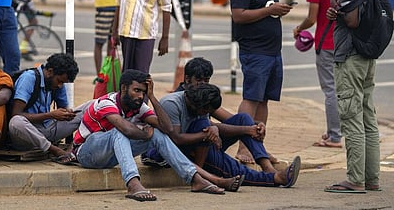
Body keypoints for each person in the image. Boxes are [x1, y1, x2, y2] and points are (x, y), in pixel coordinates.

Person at [55, 69, 246, 202]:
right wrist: (145, 133)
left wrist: (153, 98)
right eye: (136, 90)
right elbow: (128, 130)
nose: (140, 96)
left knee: (158, 134)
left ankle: (194, 179)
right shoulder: (106, 103)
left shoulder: (140, 106)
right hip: (87, 154)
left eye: (143, 92)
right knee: (120, 132)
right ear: (123, 89)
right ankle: (133, 184)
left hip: (110, 155)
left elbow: (168, 129)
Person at [142, 57, 278, 173]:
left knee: (244, 119)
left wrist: (252, 127)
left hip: (206, 143)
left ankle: (265, 164)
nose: (203, 84)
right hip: (189, 147)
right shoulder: (176, 101)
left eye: (206, 81)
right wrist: (213, 131)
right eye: (199, 81)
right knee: (231, 168)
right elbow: (180, 137)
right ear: (188, 79)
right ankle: (200, 176)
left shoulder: (204, 97)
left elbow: (230, 121)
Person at [160, 83, 301, 188]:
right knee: (228, 165)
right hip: (182, 149)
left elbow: (223, 124)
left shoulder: (201, 102)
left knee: (244, 119)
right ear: (201, 107)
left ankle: (267, 166)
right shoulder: (172, 104)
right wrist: (208, 133)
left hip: (202, 142)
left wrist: (251, 128)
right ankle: (275, 178)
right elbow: (176, 139)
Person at [324, 0, 380, 193]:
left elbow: (353, 21)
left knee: (351, 117)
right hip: (367, 57)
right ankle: (371, 178)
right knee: (368, 117)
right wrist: (339, 7)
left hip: (350, 57)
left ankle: (355, 179)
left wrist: (337, 1)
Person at [230, 0, 293, 164]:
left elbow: (266, 10)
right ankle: (243, 148)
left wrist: (278, 10)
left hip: (273, 52)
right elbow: (238, 15)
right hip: (254, 52)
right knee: (251, 98)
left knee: (264, 100)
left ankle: (259, 148)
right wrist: (269, 10)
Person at [293, 0, 343, 148]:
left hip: (326, 43)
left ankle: (334, 136)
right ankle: (341, 130)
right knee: (345, 90)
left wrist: (298, 28)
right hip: (346, 44)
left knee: (330, 90)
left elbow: (312, 19)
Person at [9, 53, 80, 157]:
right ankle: (53, 149)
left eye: (63, 83)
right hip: (27, 134)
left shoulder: (58, 83)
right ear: (50, 72)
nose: (60, 85)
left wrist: (67, 113)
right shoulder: (29, 78)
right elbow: (16, 114)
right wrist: (50, 115)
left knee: (91, 107)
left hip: (48, 129)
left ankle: (75, 146)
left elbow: (64, 108)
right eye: (59, 81)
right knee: (16, 122)